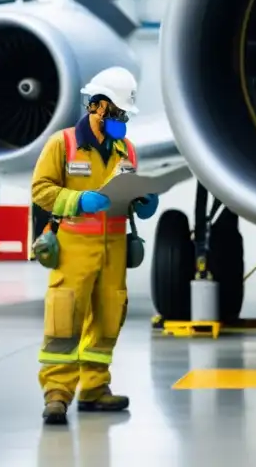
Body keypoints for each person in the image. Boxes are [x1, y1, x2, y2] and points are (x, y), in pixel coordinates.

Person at [32, 66, 160, 425]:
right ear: (98, 107)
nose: (122, 122)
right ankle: (57, 394)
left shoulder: (126, 149)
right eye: (118, 114)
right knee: (64, 322)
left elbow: (131, 190)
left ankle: (94, 389)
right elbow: (41, 190)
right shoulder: (63, 144)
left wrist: (144, 198)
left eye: (124, 116)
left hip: (114, 248)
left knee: (107, 320)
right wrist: (79, 201)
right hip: (73, 247)